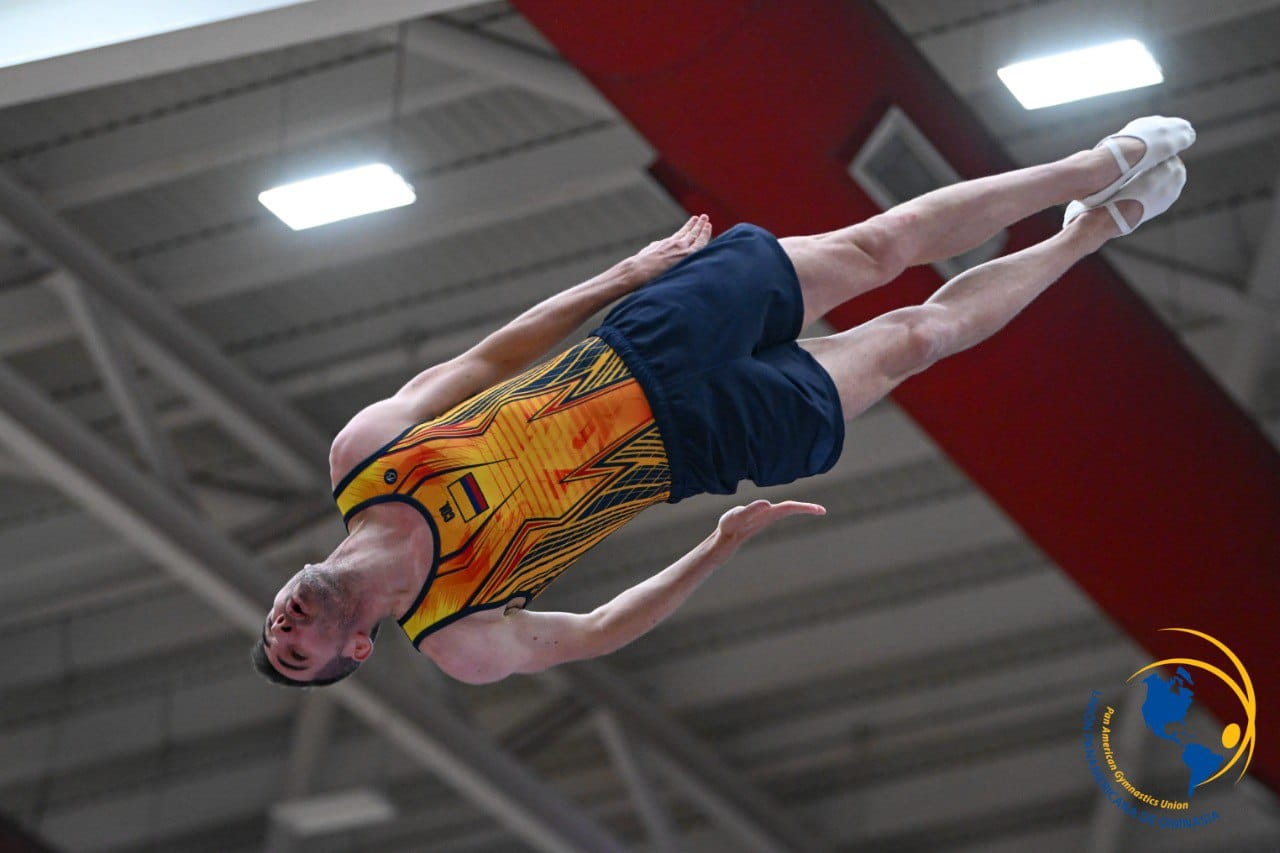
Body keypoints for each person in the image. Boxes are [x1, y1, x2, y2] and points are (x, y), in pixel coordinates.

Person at [252, 115, 1194, 687]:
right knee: (916, 338)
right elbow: (598, 631)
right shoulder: (457, 634)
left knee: (878, 247)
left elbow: (494, 351)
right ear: (358, 650)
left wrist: (623, 274)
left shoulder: (364, 454)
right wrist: (713, 549)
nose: (284, 623)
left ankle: (1091, 167)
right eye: (298, 651)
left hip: (645, 339)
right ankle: (1090, 232)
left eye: (274, 625)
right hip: (699, 444)